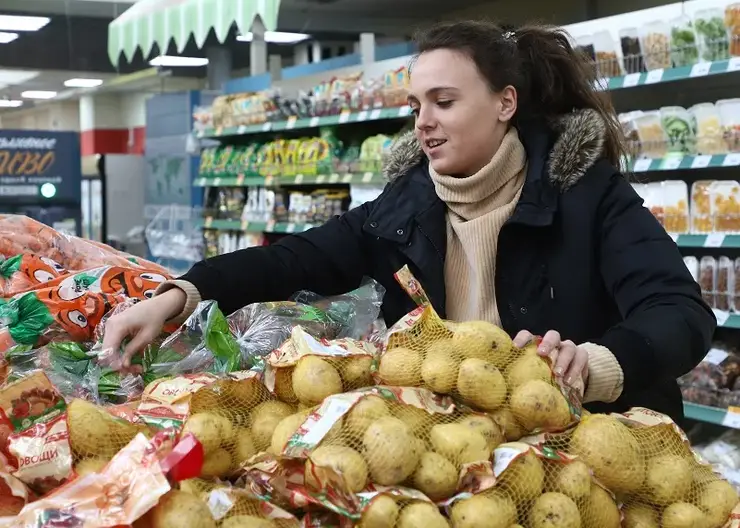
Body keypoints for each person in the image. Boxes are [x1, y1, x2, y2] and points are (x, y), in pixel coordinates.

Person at [103, 20, 714, 421]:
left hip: (596, 449)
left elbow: (680, 313)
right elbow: (291, 259)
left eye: (444, 102)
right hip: (460, 456)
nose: (423, 121)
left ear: (506, 103)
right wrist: (182, 293)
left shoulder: (587, 196)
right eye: (415, 105)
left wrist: (600, 363)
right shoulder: (404, 210)